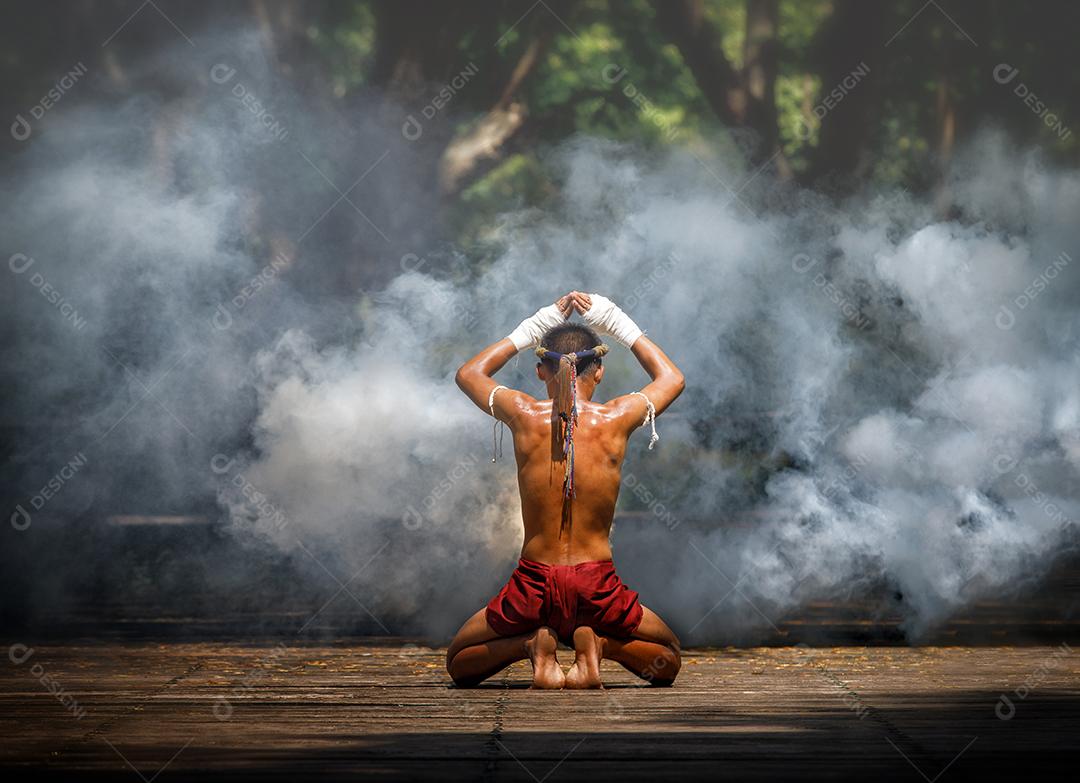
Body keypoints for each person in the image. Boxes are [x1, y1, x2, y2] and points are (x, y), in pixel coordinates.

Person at [447, 291, 685, 688]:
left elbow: (469, 374)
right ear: (599, 371)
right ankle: (600, 646)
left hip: (533, 584)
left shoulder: (523, 414)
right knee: (669, 656)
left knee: (458, 661)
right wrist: (617, 323)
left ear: (541, 371)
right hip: (597, 585)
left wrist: (531, 329)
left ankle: (531, 646)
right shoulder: (616, 417)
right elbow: (672, 379)